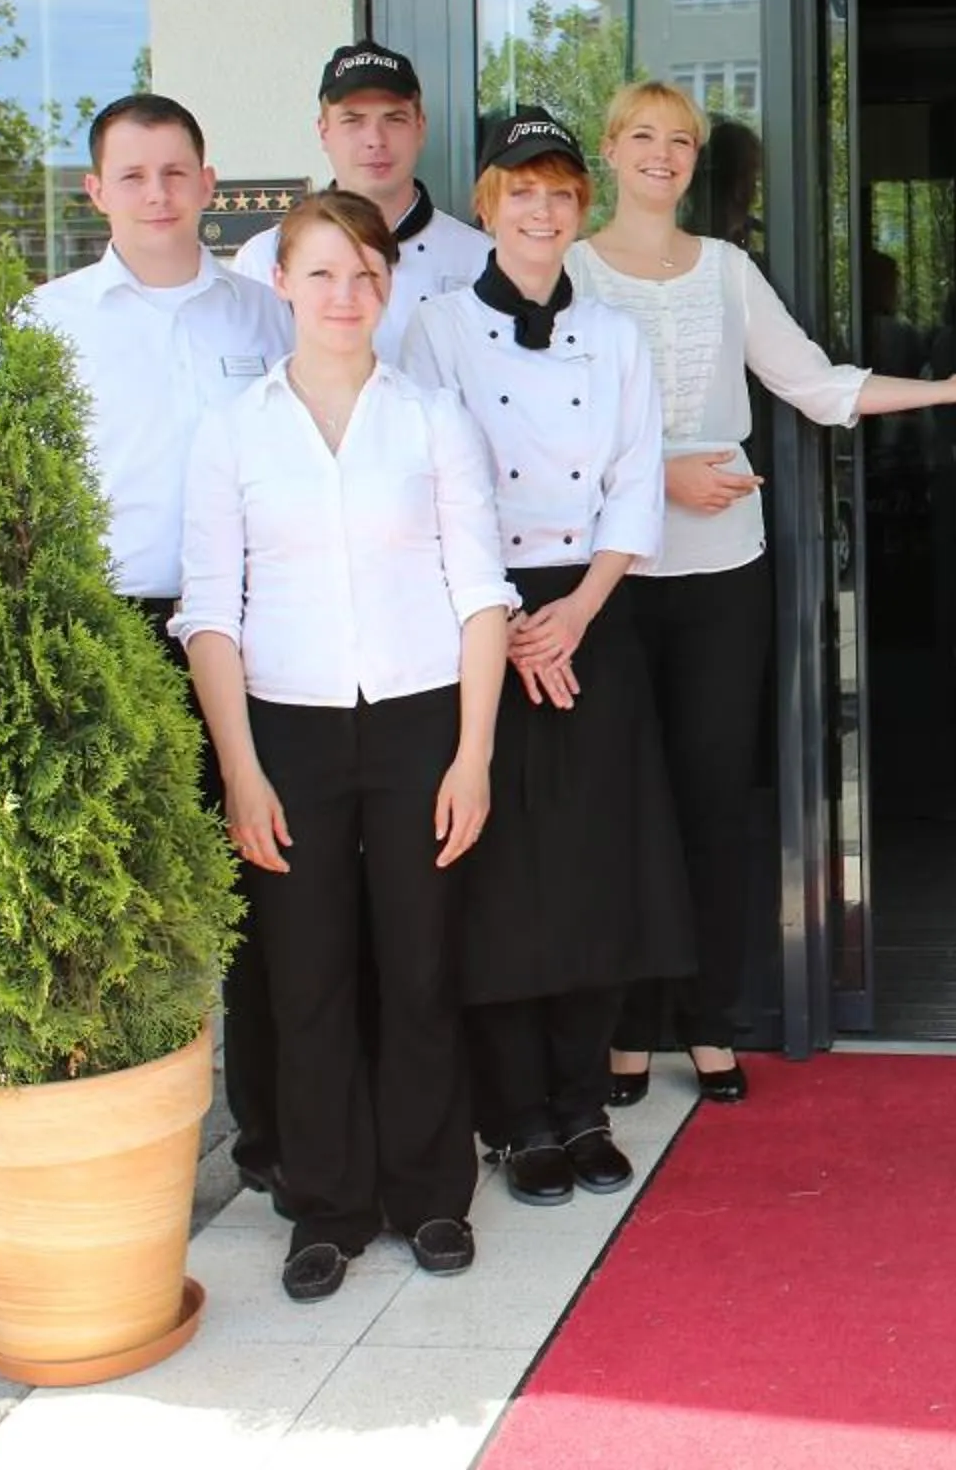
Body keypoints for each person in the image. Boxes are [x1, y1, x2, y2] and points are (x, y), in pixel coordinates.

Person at [570, 80, 956, 1103]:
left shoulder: (727, 271)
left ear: (696, 160)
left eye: (680, 140)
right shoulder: (566, 269)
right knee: (617, 806)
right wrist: (658, 478)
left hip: (722, 568)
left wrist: (948, 389)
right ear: (610, 149)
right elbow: (537, 442)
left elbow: (818, 383)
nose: (661, 154)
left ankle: (709, 1017)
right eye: (642, 136)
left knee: (713, 801)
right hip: (602, 574)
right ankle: (626, 1023)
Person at [174, 189, 516, 1302]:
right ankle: (326, 1206)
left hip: (421, 719)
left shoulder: (431, 419)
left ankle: (429, 1195)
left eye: (365, 274)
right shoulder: (233, 432)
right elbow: (210, 609)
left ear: (390, 286)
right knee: (305, 975)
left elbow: (479, 593)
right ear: (281, 283)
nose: (344, 295)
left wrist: (472, 755)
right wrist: (240, 765)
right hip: (285, 731)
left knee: (420, 967)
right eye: (321, 273)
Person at [402, 105, 684, 1202]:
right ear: (487, 203)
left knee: (592, 874)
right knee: (503, 884)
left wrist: (576, 612)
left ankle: (579, 1101)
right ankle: (515, 1115)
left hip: (591, 622)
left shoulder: (615, 334)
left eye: (562, 191)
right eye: (522, 190)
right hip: (479, 624)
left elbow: (634, 479)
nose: (543, 208)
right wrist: (512, 620)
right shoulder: (429, 326)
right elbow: (435, 477)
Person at [29, 92, 293, 1200]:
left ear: (208, 181)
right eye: (132, 175)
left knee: (264, 894)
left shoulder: (262, 314)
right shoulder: (49, 321)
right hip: (116, 631)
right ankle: (129, 1158)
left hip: (255, 629)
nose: (157, 193)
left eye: (176, 171)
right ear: (96, 190)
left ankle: (275, 1138)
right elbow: (22, 499)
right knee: (127, 901)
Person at [232, 40, 492, 358]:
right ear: (323, 131)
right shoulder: (263, 260)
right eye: (353, 120)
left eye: (394, 119)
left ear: (420, 127)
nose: (375, 140)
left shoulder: (481, 260)